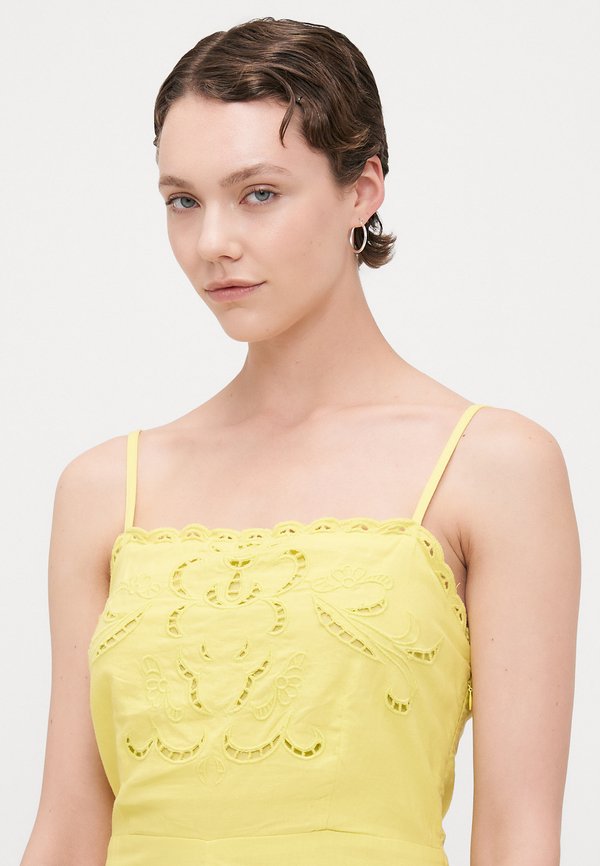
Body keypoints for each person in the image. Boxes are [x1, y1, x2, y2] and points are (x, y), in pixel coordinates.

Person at [20, 16, 580, 866]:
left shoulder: (492, 468)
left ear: (363, 189)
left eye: (259, 193)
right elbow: (66, 832)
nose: (213, 243)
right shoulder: (104, 489)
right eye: (183, 201)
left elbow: (517, 837)